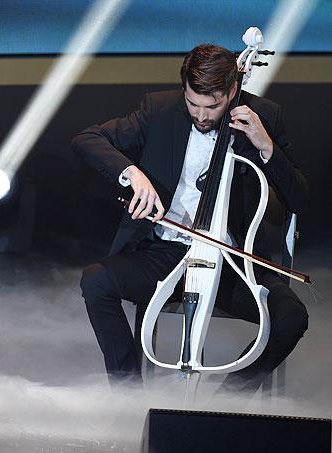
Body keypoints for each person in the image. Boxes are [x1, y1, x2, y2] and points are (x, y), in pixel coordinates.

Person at [71, 44, 308, 392]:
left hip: (231, 262)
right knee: (96, 282)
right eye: (193, 103)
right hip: (164, 254)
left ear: (232, 91)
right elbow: (86, 139)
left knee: (292, 318)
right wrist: (132, 173)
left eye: (212, 106)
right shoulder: (160, 109)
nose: (201, 115)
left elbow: (299, 197)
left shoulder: (263, 117)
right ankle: (127, 395)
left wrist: (266, 146)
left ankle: (227, 404)